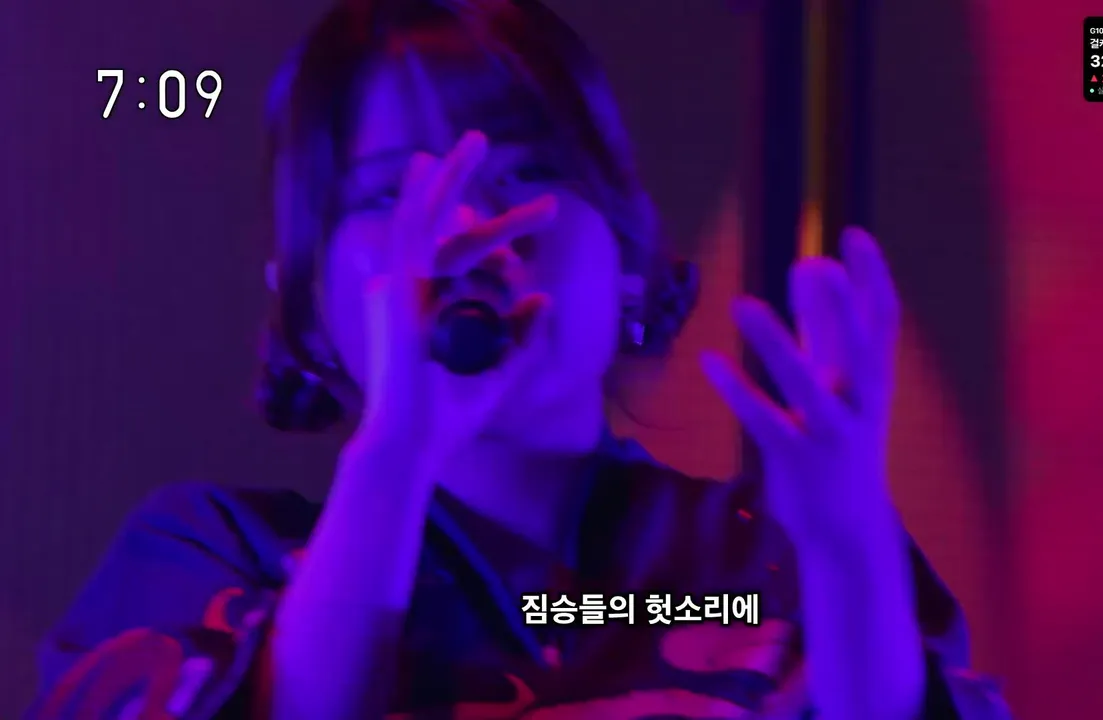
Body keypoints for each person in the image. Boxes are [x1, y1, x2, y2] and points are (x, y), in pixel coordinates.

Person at [25, 0, 1012, 718]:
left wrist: (844, 542)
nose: (469, 230)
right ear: (307, 302)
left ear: (629, 260)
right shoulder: (207, 559)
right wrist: (396, 451)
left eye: (527, 174)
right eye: (389, 195)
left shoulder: (756, 562)